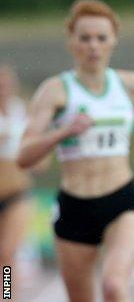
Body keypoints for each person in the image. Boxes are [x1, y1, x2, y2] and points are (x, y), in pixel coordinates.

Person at [17, 0, 134, 302]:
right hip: (74, 207)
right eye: (85, 38)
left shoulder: (129, 84)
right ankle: (6, 295)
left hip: (122, 201)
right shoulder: (55, 91)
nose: (93, 46)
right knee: (7, 259)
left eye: (101, 38)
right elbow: (24, 155)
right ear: (72, 42)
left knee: (113, 285)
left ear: (113, 41)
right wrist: (63, 131)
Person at [0, 63, 47, 300]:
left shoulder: (24, 113)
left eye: (7, 84)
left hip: (16, 192)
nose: (3, 89)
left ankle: (8, 297)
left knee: (7, 253)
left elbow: (40, 158)